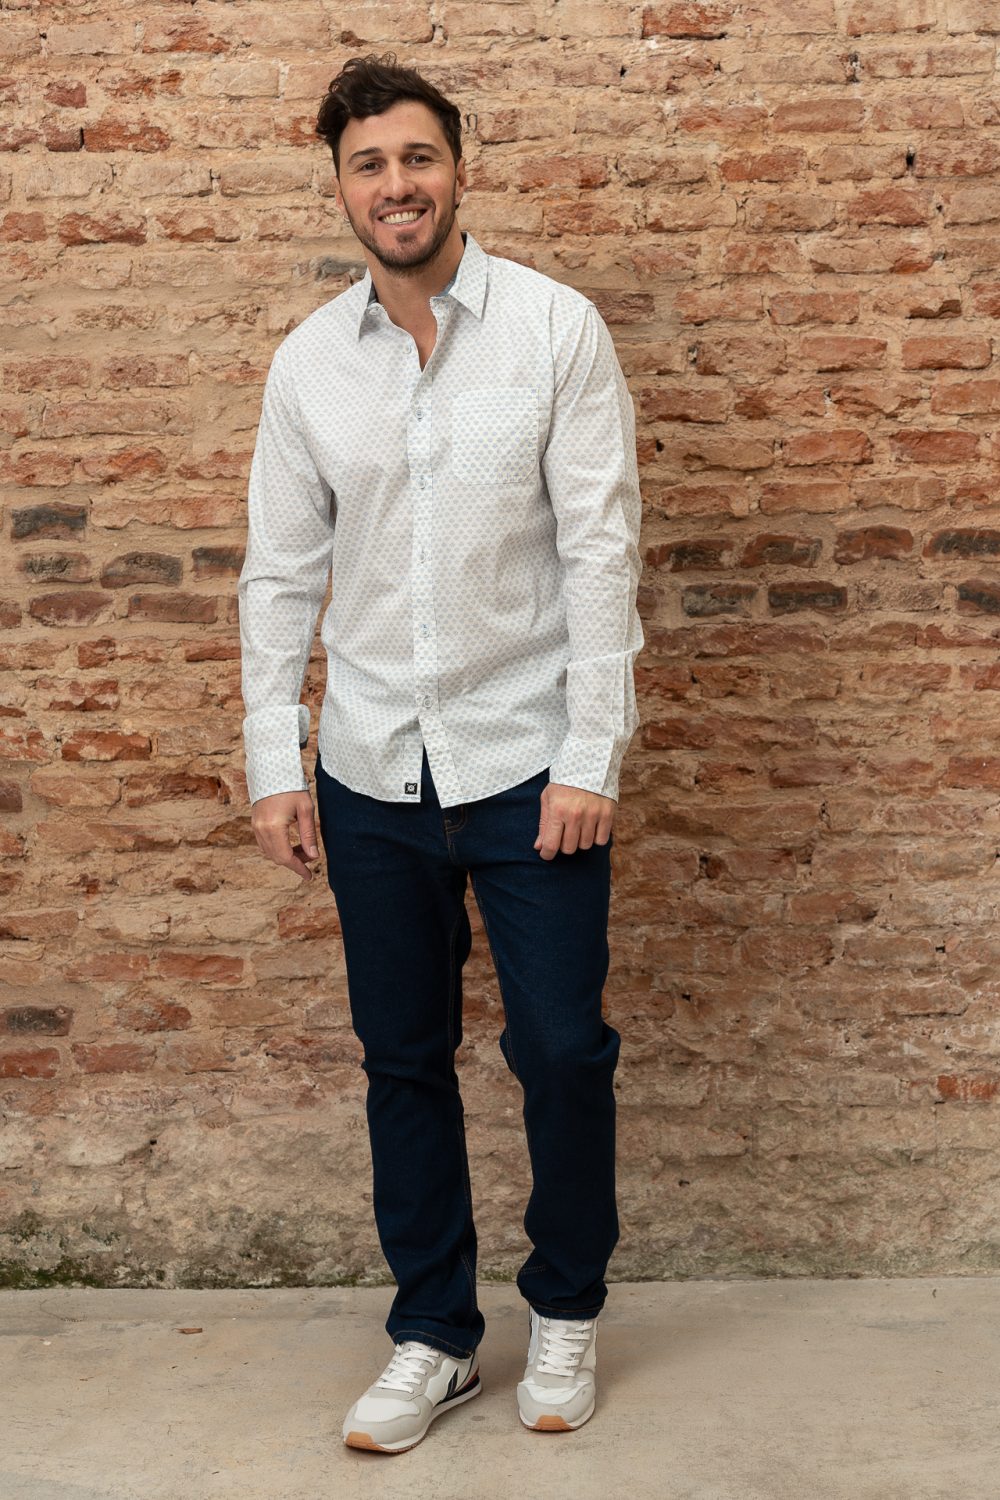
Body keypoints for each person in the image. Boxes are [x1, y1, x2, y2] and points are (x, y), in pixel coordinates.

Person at [236, 51, 643, 1455]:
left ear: (458, 170)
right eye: (369, 164)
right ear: (341, 187)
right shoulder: (308, 364)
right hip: (369, 772)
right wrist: (275, 763)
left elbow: (601, 553)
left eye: (417, 157)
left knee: (562, 1050)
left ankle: (568, 1307)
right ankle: (434, 1336)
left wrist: (593, 754)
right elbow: (279, 576)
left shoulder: (555, 330)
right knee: (401, 1059)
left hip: (529, 760)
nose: (395, 185)